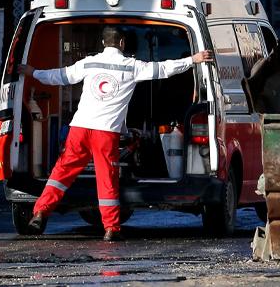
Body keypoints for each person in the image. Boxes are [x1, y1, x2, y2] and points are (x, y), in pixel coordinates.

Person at [17, 26, 213, 241]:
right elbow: (164, 69)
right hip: (105, 132)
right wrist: (193, 59)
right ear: (122, 43)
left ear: (103, 43)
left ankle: (40, 212)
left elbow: (60, 76)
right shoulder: (131, 67)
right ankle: (111, 228)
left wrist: (32, 72)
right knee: (106, 179)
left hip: (80, 128)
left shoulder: (89, 63)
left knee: (60, 174)